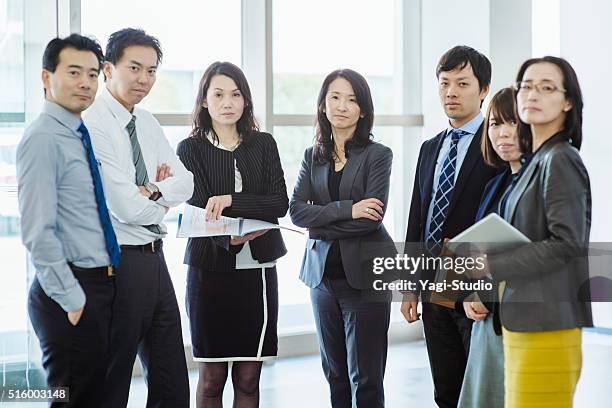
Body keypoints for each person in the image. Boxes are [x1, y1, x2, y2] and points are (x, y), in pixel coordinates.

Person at [468, 56, 592, 407]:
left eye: (547, 87)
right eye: (526, 86)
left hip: (547, 323)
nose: (532, 94)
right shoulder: (537, 161)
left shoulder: (561, 159)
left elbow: (566, 243)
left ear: (568, 101)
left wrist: (493, 264)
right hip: (523, 320)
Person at [83, 28, 193, 407]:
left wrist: (152, 192)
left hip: (154, 260)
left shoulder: (146, 122)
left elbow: (188, 183)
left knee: (171, 379)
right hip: (117, 263)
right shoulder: (92, 123)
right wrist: (158, 198)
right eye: (134, 68)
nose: (144, 79)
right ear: (108, 69)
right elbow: (125, 207)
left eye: (151, 70)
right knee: (113, 379)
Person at [177, 61, 288, 408]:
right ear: (205, 101)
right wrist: (230, 236)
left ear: (246, 101)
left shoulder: (264, 144)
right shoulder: (190, 149)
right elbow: (198, 211)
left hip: (258, 274)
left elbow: (279, 202)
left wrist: (231, 201)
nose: (228, 102)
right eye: (219, 94)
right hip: (208, 272)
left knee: (249, 377)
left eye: (236, 94)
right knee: (211, 380)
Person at [17, 34, 119, 407]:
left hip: (95, 284)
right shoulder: (43, 138)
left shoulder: (76, 133)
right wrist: (74, 300)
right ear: (46, 77)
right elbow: (37, 232)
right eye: (74, 72)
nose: (85, 83)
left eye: (93, 74)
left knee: (90, 396)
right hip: (70, 290)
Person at [290, 69, 394, 408]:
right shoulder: (312, 155)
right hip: (322, 280)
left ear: (363, 110)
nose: (342, 106)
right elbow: (295, 212)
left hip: (365, 279)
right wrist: (348, 210)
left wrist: (319, 221)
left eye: (352, 99)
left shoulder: (378, 155)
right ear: (323, 105)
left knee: (365, 377)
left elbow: (371, 220)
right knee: (334, 373)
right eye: (335, 97)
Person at [400, 45, 498, 408]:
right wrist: (411, 287)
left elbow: (499, 223)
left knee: (479, 394)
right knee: (446, 392)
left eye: (462, 83)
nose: (451, 92)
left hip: (474, 290)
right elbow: (417, 220)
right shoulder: (430, 148)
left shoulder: (497, 145)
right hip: (432, 288)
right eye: (444, 84)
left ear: (483, 89)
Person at [457, 87, 532, 408]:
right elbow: (477, 247)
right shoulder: (495, 184)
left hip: (518, 314)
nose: (502, 134)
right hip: (485, 316)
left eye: (512, 123)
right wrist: (468, 294)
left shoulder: (538, 179)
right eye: (494, 124)